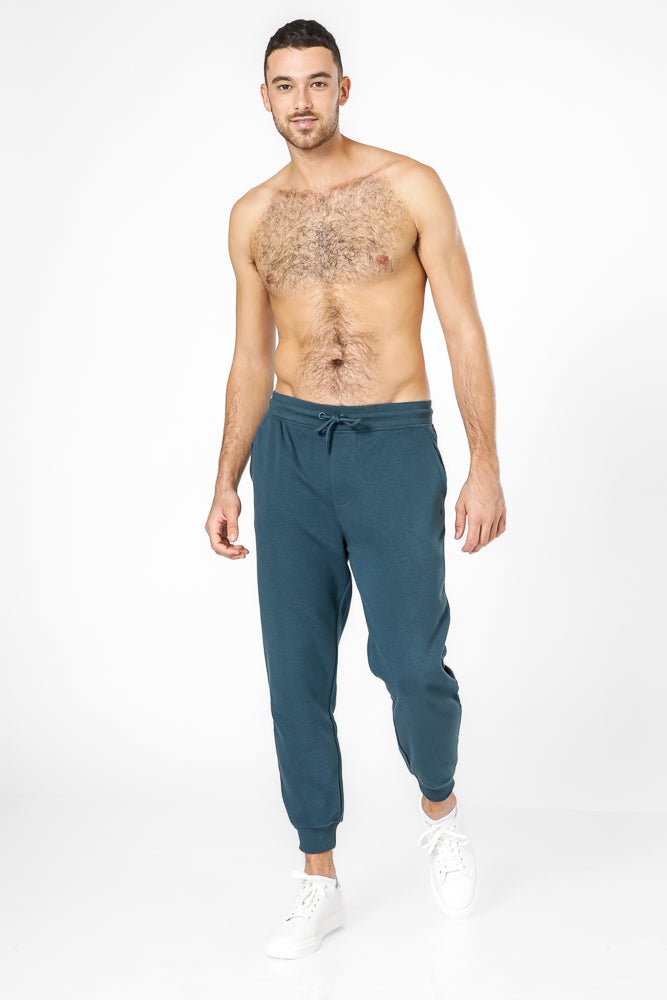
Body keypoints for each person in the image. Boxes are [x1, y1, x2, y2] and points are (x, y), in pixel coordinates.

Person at [205, 18, 506, 958]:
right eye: (283, 85)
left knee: (410, 662)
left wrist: (485, 460)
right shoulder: (252, 216)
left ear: (343, 87)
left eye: (316, 81)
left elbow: (461, 327)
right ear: (264, 97)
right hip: (290, 451)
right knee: (295, 674)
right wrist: (226, 478)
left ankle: (439, 809)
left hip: (391, 444)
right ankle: (317, 875)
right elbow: (249, 356)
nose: (301, 101)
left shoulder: (409, 187)